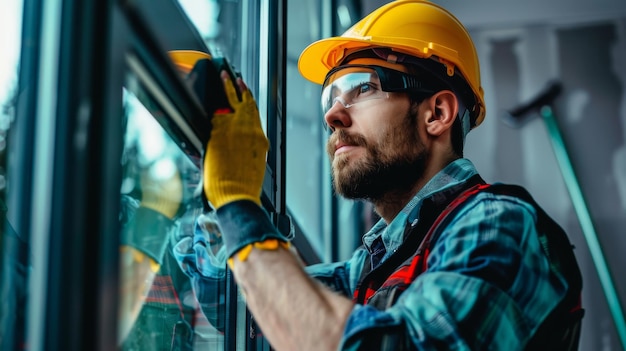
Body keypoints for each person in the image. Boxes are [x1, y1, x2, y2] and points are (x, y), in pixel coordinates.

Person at [186, 0, 584, 350]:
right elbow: (241, 301)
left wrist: (239, 204)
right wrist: (208, 191)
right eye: (331, 96)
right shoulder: (375, 264)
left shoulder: (498, 223)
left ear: (437, 114)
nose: (332, 116)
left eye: (362, 87)